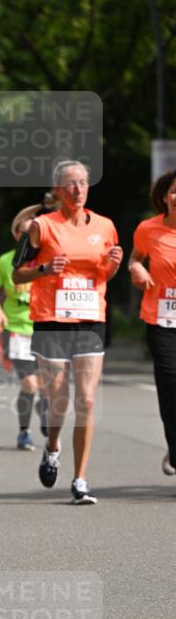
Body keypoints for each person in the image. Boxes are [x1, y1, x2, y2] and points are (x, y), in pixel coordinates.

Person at [14, 160, 123, 504]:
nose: (78, 190)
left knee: (87, 399)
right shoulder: (42, 226)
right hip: (51, 320)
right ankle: (52, 446)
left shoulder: (105, 227)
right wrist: (45, 269)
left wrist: (113, 265)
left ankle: (80, 479)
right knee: (59, 402)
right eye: (71, 184)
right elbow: (17, 273)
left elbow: (103, 274)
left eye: (83, 183)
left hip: (90, 319)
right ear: (58, 190)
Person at [0, 203, 49, 451]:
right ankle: (24, 431)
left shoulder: (46, 261)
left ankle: (44, 409)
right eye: (24, 233)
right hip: (16, 330)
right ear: (16, 235)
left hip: (44, 328)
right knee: (30, 384)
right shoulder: (6, 261)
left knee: (45, 385)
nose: (29, 238)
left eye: (33, 233)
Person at [128, 169, 176, 476]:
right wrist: (137, 268)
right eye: (174, 190)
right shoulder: (148, 229)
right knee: (171, 386)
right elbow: (135, 258)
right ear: (164, 196)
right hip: (162, 320)